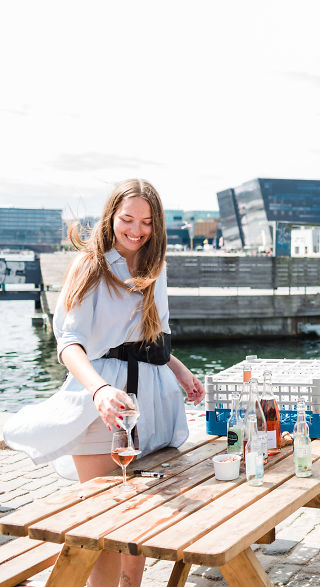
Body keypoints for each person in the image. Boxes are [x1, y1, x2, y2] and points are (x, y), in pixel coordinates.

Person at [4, 179, 205, 587]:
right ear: (111, 216)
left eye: (146, 221)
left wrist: (180, 371)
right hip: (103, 404)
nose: (136, 229)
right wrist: (98, 389)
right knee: (105, 528)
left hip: (152, 402)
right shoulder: (90, 265)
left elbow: (150, 340)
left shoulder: (156, 265)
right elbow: (69, 343)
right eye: (127, 219)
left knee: (140, 520)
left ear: (157, 224)